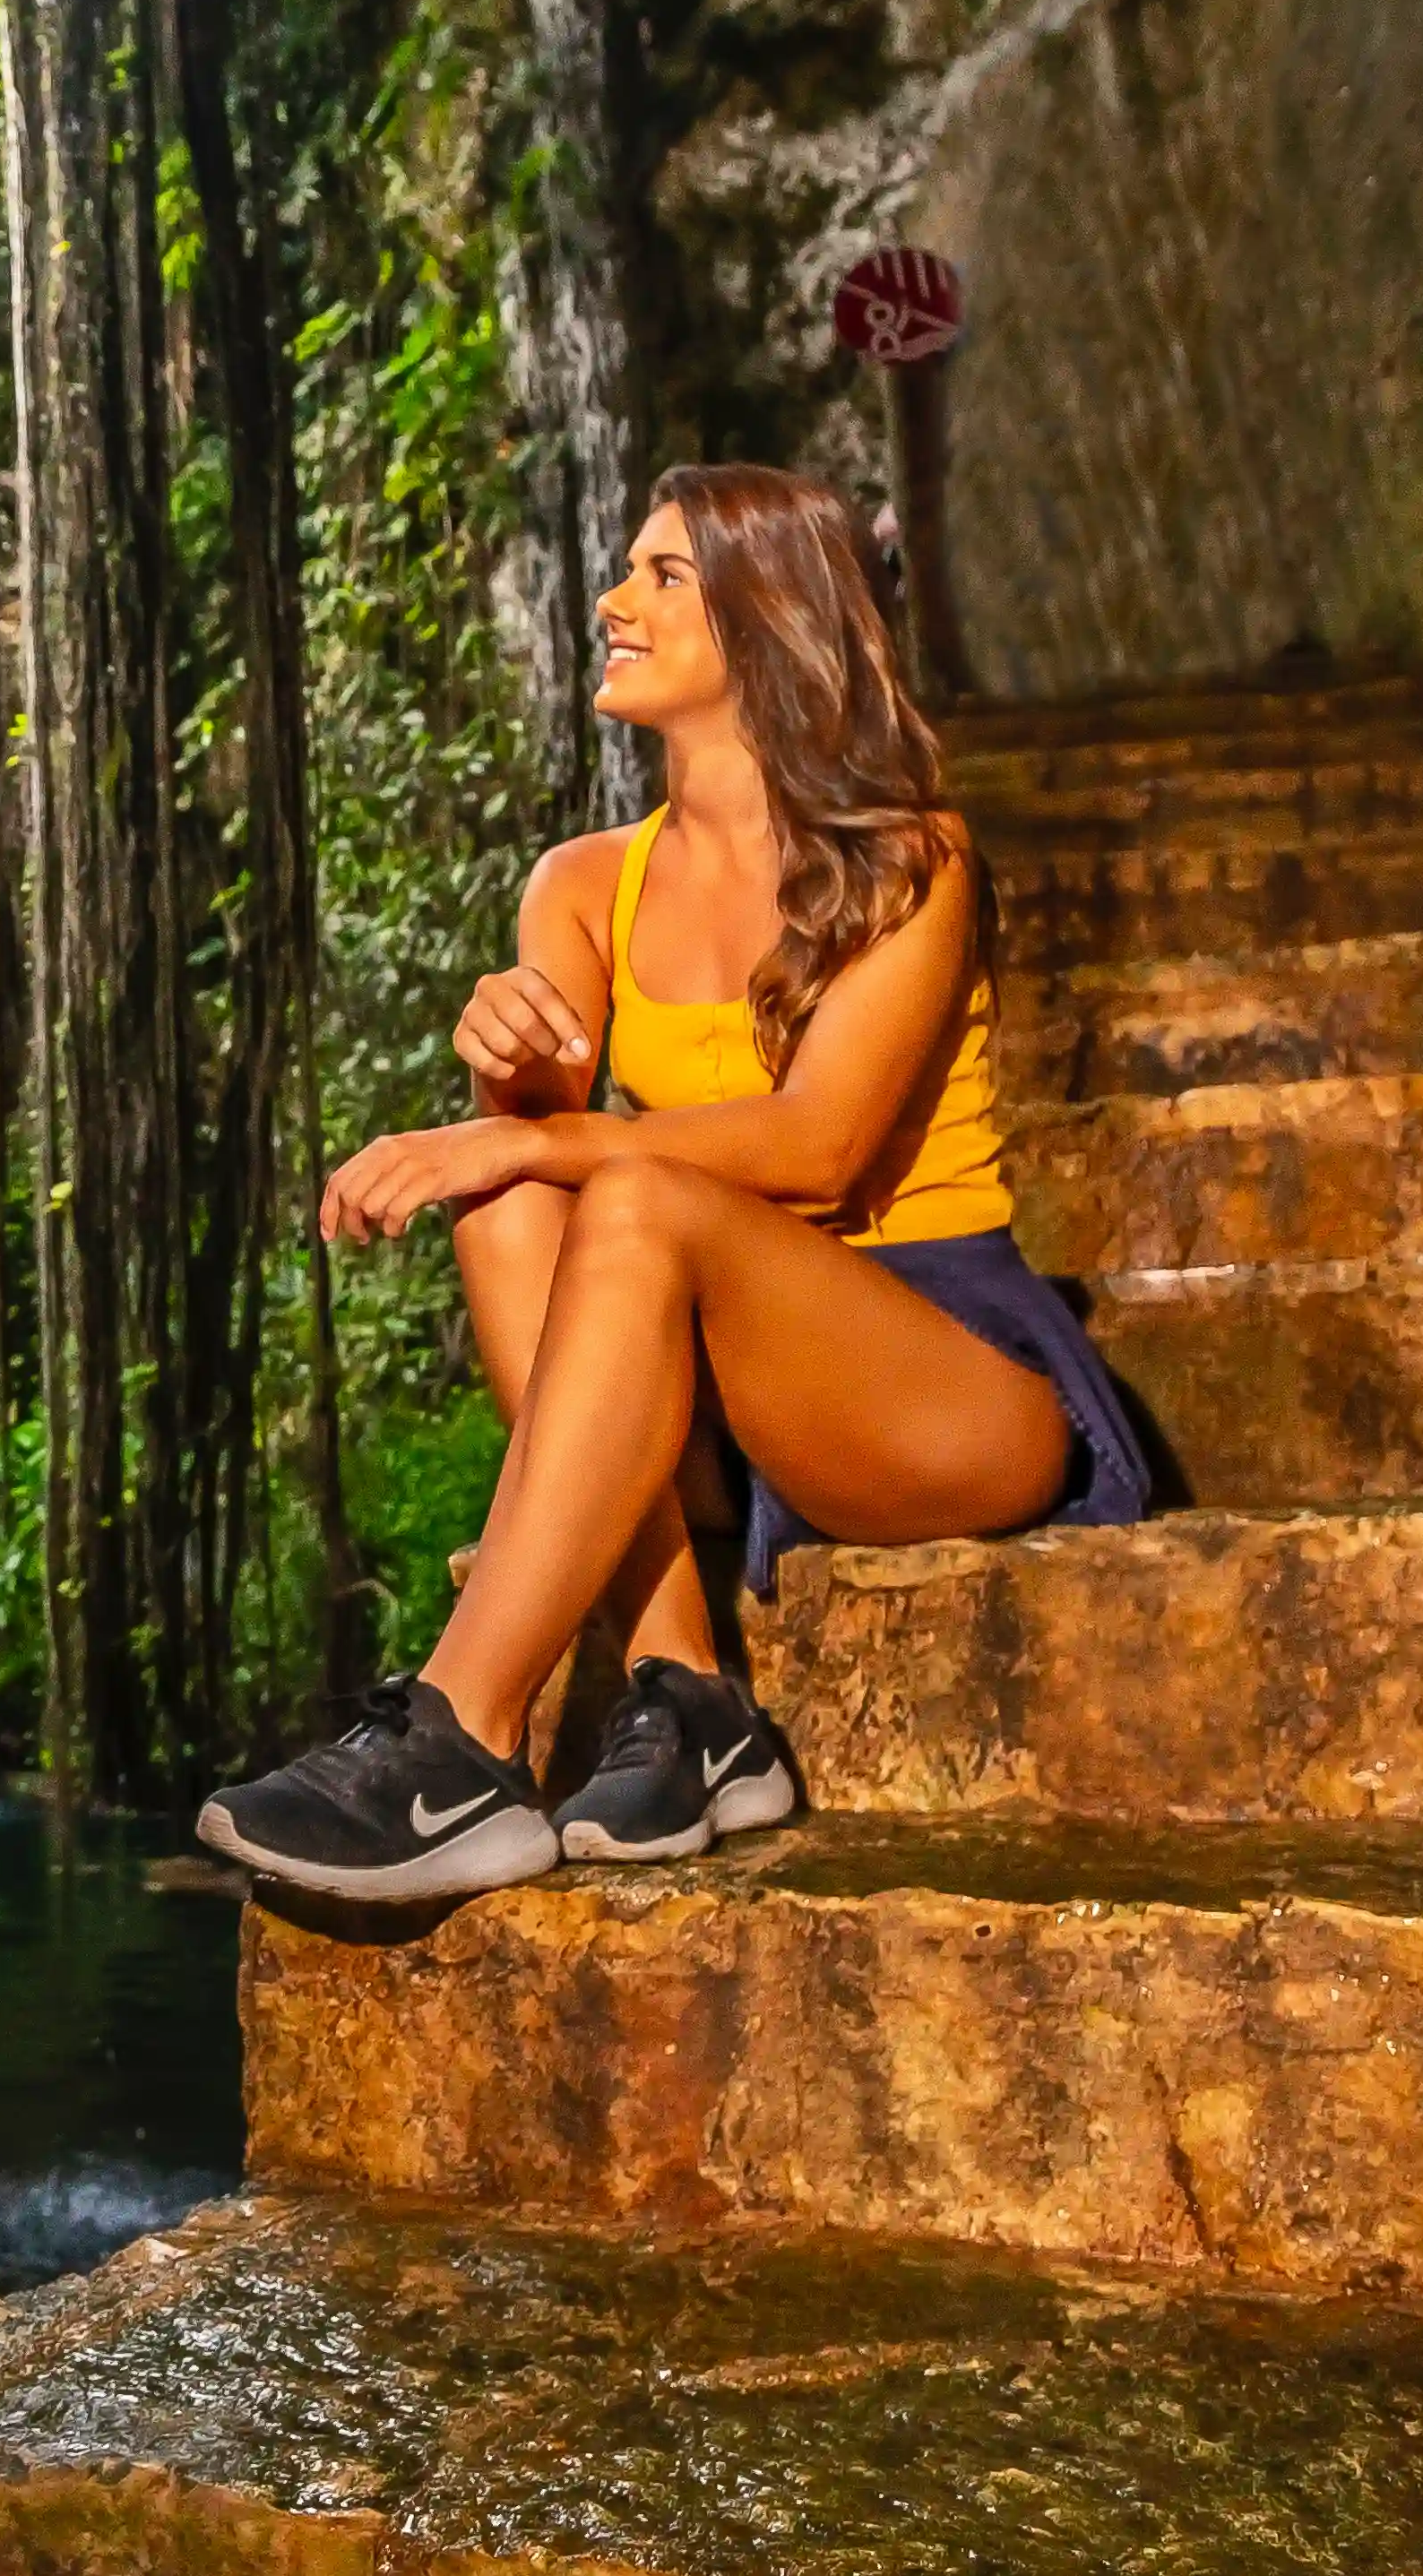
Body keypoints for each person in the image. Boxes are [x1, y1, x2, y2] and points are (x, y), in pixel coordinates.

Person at [200, 462, 1150, 1900]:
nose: (613, 605)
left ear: (774, 616)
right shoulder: (582, 885)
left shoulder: (910, 856)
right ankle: (692, 1692)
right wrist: (507, 1077)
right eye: (624, 575)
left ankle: (463, 1730)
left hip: (938, 1373)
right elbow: (537, 1177)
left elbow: (819, 1149)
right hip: (722, 1391)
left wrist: (533, 1135)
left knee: (607, 1184)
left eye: (662, 578)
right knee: (522, 1195)